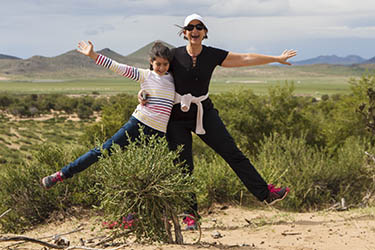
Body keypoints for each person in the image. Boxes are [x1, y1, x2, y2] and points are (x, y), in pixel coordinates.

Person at [139, 13, 296, 229]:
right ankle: (190, 215)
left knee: (232, 152)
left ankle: (266, 193)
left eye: (199, 27)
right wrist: (143, 94)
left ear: (204, 32)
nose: (195, 30)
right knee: (183, 166)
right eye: (190, 27)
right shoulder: (173, 55)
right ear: (184, 33)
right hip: (177, 116)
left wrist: (276, 59)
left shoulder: (212, 55)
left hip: (204, 111)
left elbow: (245, 58)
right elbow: (154, 75)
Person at [41, 40, 175, 189]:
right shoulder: (145, 75)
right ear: (151, 62)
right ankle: (61, 174)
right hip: (138, 124)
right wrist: (93, 55)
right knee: (104, 150)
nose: (162, 68)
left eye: (165, 64)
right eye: (158, 64)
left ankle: (134, 212)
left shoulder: (173, 79)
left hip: (158, 132)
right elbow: (118, 67)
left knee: (149, 174)